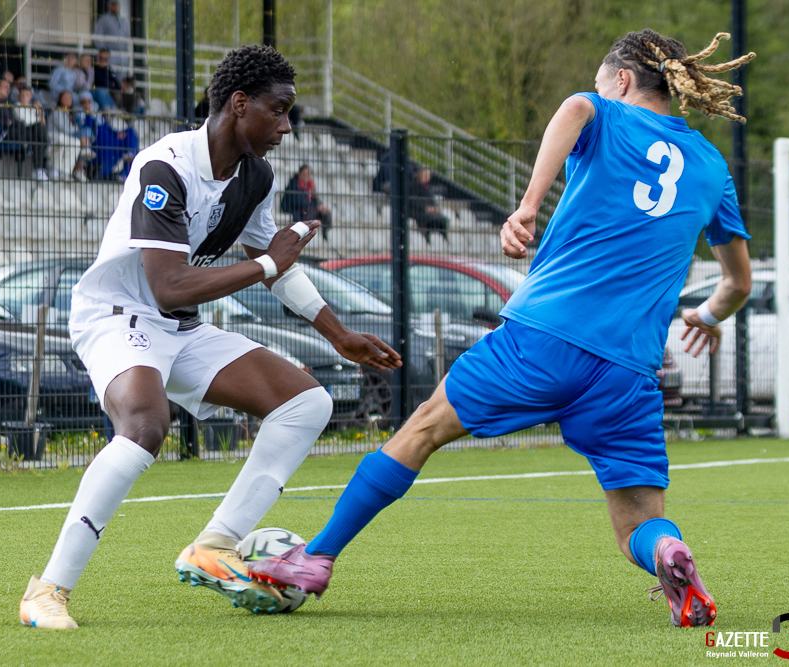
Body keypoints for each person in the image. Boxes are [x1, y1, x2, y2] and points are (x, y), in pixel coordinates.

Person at [246, 29, 756, 629]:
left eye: (601, 81)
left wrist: (528, 205)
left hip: (542, 338)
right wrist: (706, 316)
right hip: (628, 370)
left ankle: (317, 558)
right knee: (638, 524)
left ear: (622, 81)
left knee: (420, 431)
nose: (595, 91)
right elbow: (738, 283)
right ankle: (669, 554)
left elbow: (575, 107)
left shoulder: (606, 113)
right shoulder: (713, 166)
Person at [18, 44, 401, 630]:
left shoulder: (255, 175)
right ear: (239, 103)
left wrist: (338, 333)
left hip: (181, 327)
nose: (286, 125)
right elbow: (172, 285)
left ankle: (215, 545)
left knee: (306, 402)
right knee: (145, 428)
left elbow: (272, 261)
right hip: (117, 316)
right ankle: (47, 590)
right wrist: (269, 265)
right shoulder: (163, 167)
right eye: (277, 110)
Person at [0, 78, 50, 180]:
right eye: (5, 87)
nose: (8, 90)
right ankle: (43, 157)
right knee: (37, 137)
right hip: (4, 133)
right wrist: (7, 122)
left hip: (17, 129)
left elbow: (14, 121)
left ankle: (39, 168)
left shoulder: (6, 102)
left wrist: (12, 122)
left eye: (9, 88)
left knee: (37, 129)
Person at [49, 90, 95, 181]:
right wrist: (78, 130)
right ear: (60, 99)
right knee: (82, 135)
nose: (67, 99)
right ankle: (85, 149)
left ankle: (66, 173)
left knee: (78, 141)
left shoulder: (70, 113)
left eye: (69, 98)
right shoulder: (57, 112)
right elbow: (65, 129)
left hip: (66, 136)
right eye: (65, 97)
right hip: (55, 135)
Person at [280, 165, 332, 240]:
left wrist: (320, 205)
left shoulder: (310, 185)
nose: (306, 176)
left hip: (306, 208)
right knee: (312, 211)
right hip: (294, 209)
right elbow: (298, 202)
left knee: (326, 212)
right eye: (304, 174)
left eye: (308, 174)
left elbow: (315, 198)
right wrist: (316, 207)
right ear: (299, 174)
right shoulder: (294, 184)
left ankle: (324, 234)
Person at [408, 167, 448, 242]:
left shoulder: (427, 188)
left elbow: (431, 200)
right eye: (425, 175)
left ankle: (442, 240)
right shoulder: (413, 185)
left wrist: (434, 208)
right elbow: (413, 201)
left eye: (428, 175)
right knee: (432, 219)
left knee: (442, 220)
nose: (427, 177)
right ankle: (428, 240)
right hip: (416, 212)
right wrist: (426, 208)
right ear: (419, 175)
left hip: (427, 212)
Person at [92, 0, 131, 74]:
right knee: (111, 75)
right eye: (113, 4)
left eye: (116, 4)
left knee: (122, 76)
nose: (115, 6)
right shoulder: (104, 19)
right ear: (109, 6)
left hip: (123, 54)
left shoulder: (123, 21)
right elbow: (97, 37)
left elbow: (127, 38)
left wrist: (127, 52)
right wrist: (104, 52)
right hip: (110, 54)